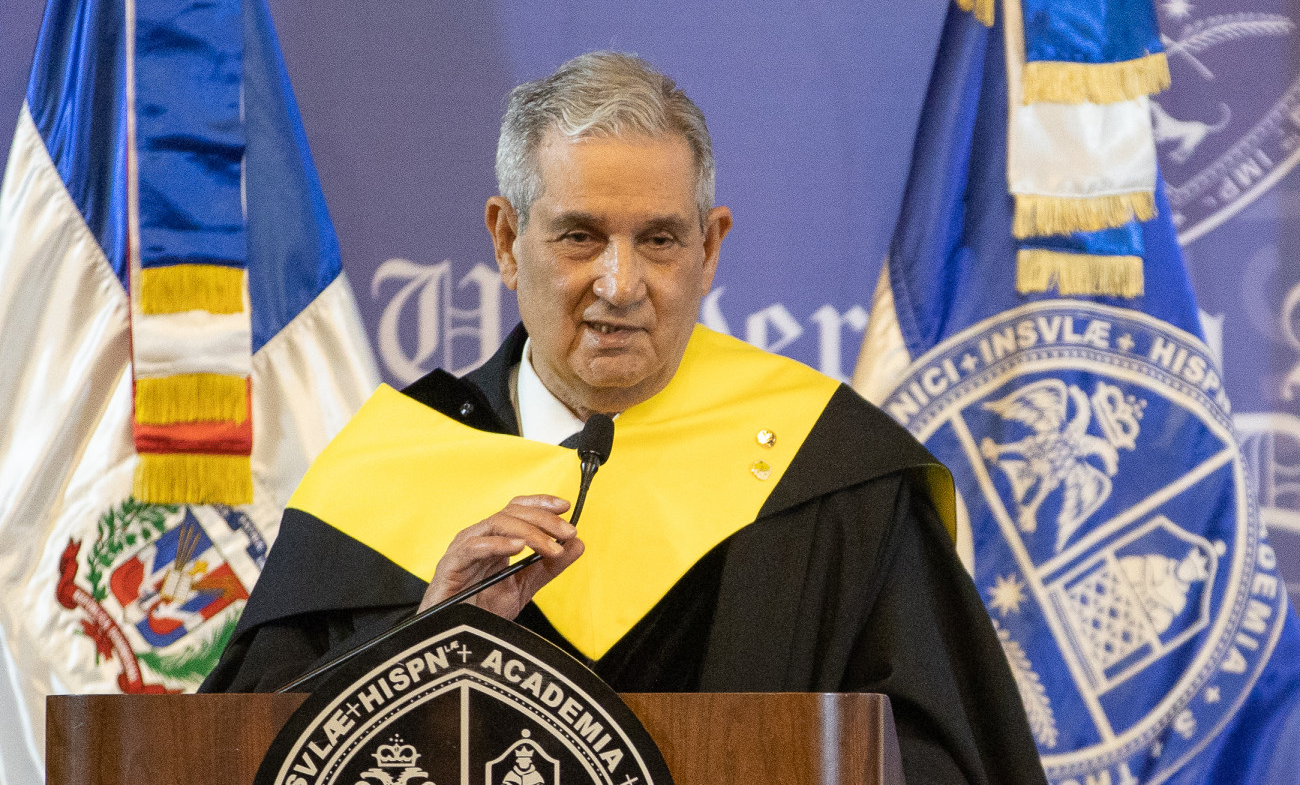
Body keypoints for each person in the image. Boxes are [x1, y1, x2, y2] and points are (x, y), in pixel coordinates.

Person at [202, 52, 1046, 785]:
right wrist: (422, 648)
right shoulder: (387, 474)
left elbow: (941, 761)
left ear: (710, 247)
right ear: (506, 239)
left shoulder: (831, 481)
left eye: (660, 240)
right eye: (579, 236)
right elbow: (244, 753)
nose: (620, 283)